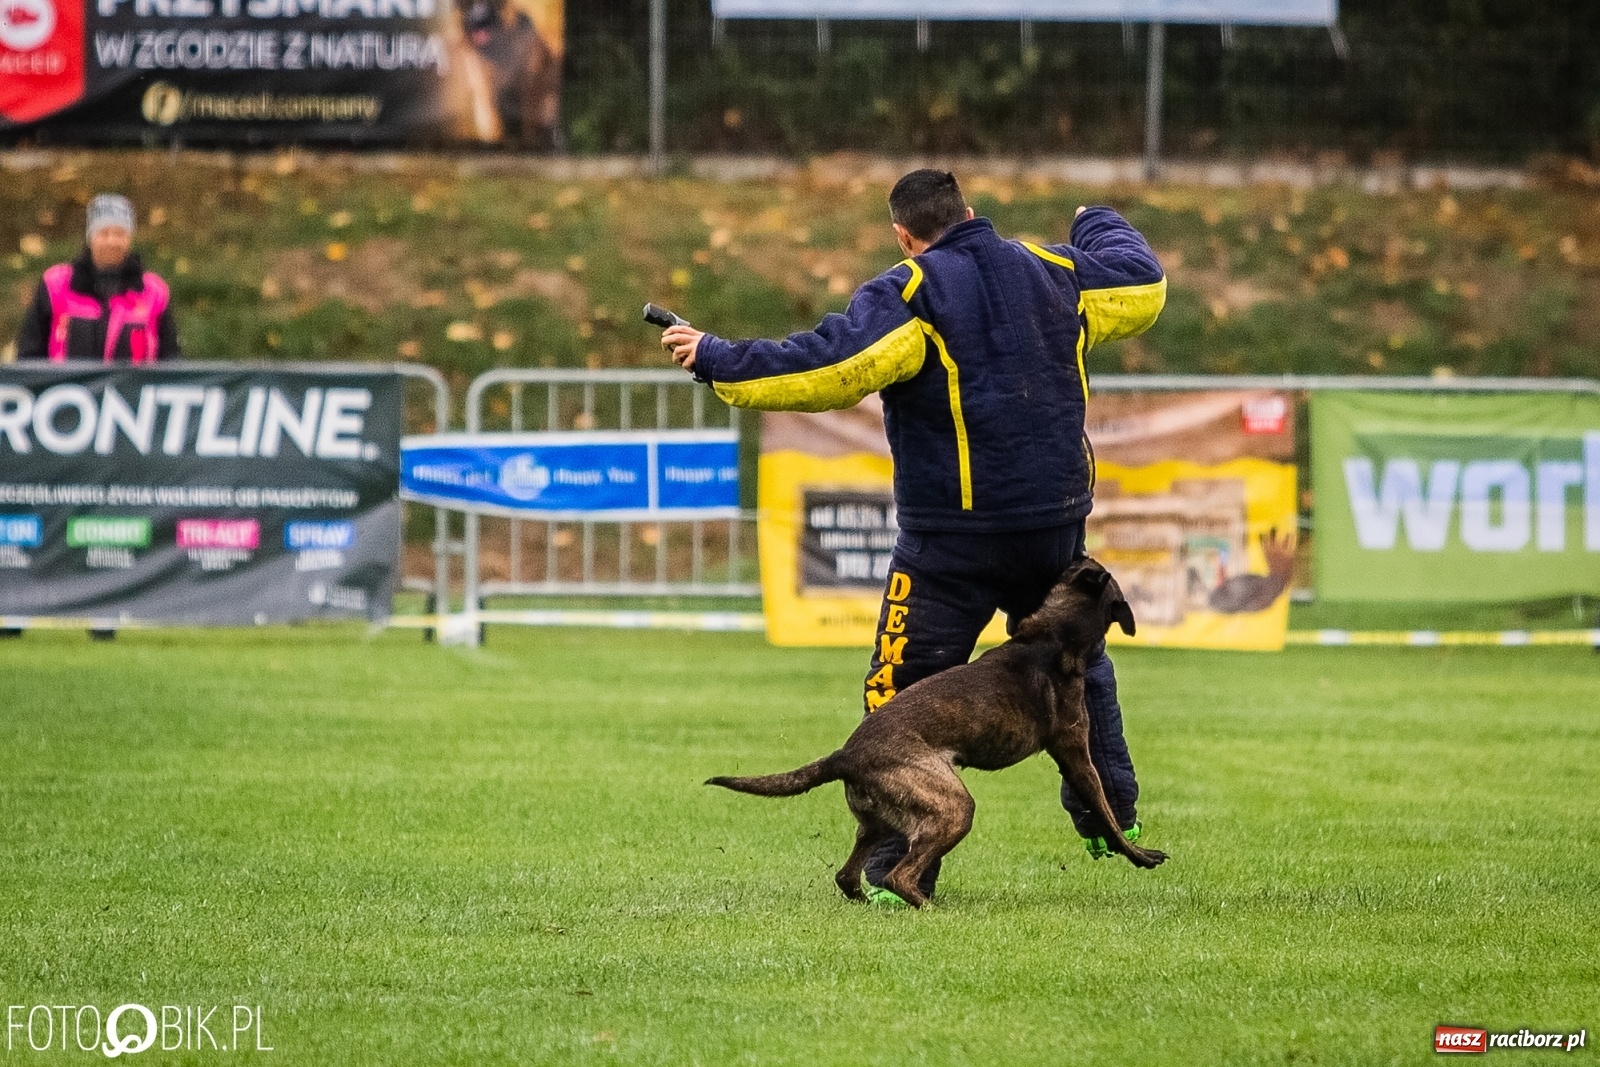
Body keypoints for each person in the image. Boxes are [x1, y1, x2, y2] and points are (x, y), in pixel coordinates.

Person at [663, 169, 1166, 906]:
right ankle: (1108, 811)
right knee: (1074, 666)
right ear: (969, 211)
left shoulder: (912, 291)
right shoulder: (1057, 272)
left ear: (905, 233)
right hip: (1054, 530)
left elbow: (828, 365)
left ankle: (896, 864)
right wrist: (1097, 220)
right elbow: (1142, 282)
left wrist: (715, 358)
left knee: (898, 697)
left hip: (948, 545)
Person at [15, 193, 180, 363]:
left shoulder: (154, 292)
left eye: (119, 233)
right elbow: (28, 356)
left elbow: (171, 361)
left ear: (129, 238)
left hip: (130, 389)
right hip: (66, 389)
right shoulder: (55, 285)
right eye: (103, 233)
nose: (111, 241)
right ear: (90, 237)